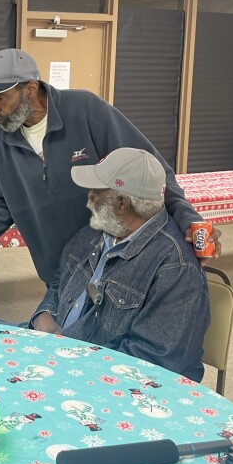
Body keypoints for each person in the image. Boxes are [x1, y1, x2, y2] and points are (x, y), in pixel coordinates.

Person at [0, 48, 218, 289]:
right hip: (60, 276)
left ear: (30, 89)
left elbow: (150, 169)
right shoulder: (1, 141)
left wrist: (188, 218)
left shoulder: (86, 111)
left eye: (0, 97)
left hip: (118, 266)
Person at [30, 148, 210, 380]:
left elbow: (153, 363)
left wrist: (68, 361)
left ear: (123, 203)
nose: (89, 197)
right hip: (55, 352)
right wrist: (44, 315)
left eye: (97, 191)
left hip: (96, 379)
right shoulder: (96, 233)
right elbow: (60, 280)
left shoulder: (176, 268)